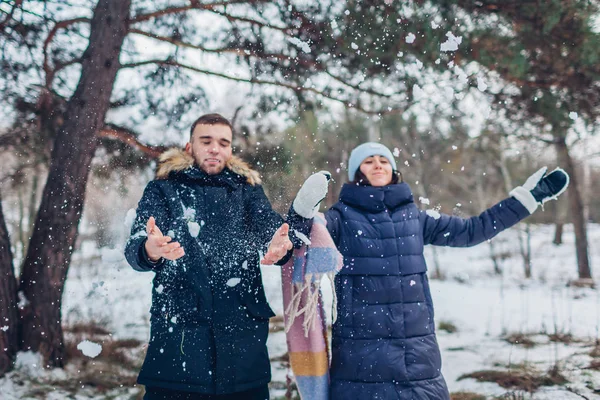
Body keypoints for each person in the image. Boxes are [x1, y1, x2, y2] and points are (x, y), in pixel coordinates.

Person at [313, 142, 569, 399]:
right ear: (356, 173)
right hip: (361, 357)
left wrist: (526, 199)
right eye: (368, 161)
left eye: (384, 160)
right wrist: (304, 214)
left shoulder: (414, 217)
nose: (378, 164)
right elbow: (308, 238)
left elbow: (472, 230)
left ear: (394, 169)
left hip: (416, 356)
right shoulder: (340, 218)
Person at [124, 113, 326, 400]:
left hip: (242, 349)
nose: (215, 148)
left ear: (230, 150)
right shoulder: (163, 189)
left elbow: (269, 229)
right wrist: (150, 249)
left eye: (223, 142)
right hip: (178, 346)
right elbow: (136, 245)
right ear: (189, 147)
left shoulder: (247, 190)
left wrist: (280, 247)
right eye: (206, 141)